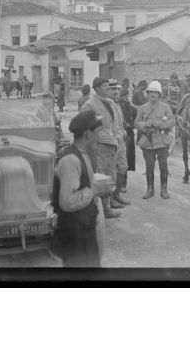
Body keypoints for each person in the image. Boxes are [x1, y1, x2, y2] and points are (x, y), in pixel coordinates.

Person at [50, 110, 110, 267]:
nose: (100, 136)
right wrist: (94, 191)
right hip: (74, 236)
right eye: (98, 132)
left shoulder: (83, 153)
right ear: (87, 134)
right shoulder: (71, 160)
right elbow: (67, 202)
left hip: (83, 231)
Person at [80, 77, 123, 218]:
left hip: (112, 144)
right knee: (100, 177)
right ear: (97, 88)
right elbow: (85, 128)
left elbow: (114, 123)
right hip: (99, 146)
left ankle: (107, 207)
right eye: (105, 86)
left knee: (111, 176)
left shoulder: (109, 102)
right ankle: (99, 210)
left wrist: (118, 138)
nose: (108, 88)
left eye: (108, 86)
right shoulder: (89, 105)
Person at [135, 81, 176, 200]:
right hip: (147, 141)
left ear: (159, 95)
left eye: (155, 92)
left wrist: (160, 124)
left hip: (162, 140)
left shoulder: (165, 107)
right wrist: (144, 124)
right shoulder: (142, 108)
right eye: (150, 92)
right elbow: (136, 123)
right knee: (149, 166)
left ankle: (164, 190)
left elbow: (172, 121)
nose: (152, 94)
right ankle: (150, 189)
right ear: (147, 94)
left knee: (163, 165)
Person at [105, 79, 131, 208]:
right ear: (106, 90)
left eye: (117, 89)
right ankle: (109, 200)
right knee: (111, 171)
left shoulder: (119, 103)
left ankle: (116, 195)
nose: (116, 91)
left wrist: (124, 133)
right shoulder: (106, 104)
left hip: (121, 140)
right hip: (111, 142)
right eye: (112, 89)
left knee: (123, 167)